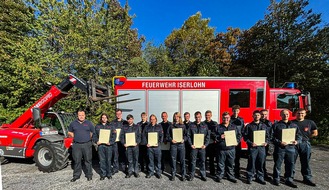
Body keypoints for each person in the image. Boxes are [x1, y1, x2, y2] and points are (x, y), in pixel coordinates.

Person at [272, 109, 301, 188]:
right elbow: (272, 137)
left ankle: (289, 180)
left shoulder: (294, 125)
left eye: (287, 114)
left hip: (291, 148)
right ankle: (276, 179)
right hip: (280, 148)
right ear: (280, 115)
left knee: (290, 164)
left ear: (289, 115)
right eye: (284, 114)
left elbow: (299, 136)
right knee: (278, 164)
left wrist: (297, 141)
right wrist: (279, 142)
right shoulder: (276, 125)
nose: (285, 116)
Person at [292, 108, 318, 186]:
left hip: (305, 144)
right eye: (298, 113)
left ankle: (307, 178)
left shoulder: (310, 122)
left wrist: (306, 138)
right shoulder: (291, 122)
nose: (300, 115)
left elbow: (315, 133)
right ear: (295, 114)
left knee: (305, 162)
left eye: (302, 113)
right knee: (291, 162)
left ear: (305, 114)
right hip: (294, 144)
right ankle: (289, 177)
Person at [243, 110, 269, 185]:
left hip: (261, 147)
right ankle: (250, 176)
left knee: (261, 162)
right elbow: (245, 137)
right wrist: (251, 143)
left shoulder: (264, 126)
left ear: (260, 116)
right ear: (252, 116)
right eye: (255, 115)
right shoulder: (249, 126)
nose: (257, 116)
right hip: (253, 147)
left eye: (258, 115)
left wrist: (266, 142)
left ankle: (260, 177)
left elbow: (268, 136)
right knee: (251, 162)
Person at [68, 110, 95, 182]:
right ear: (77, 116)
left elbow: (93, 132)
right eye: (80, 115)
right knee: (77, 161)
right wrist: (75, 136)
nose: (81, 116)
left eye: (82, 115)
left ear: (85, 115)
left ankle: (89, 175)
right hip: (77, 145)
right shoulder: (73, 123)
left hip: (87, 144)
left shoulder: (89, 123)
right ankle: (76, 176)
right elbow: (69, 132)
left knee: (88, 160)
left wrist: (88, 138)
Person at [214, 112, 240, 183]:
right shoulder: (218, 127)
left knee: (231, 164)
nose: (226, 119)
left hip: (231, 149)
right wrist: (220, 137)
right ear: (222, 118)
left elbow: (239, 135)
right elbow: (214, 137)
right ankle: (220, 176)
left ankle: (230, 176)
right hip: (221, 149)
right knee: (220, 164)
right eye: (224, 118)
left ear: (230, 118)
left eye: (227, 118)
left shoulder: (234, 127)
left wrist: (237, 141)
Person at [187, 111, 210, 182]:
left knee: (202, 161)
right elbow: (188, 136)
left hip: (202, 147)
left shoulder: (205, 125)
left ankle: (203, 175)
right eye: (196, 117)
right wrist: (191, 144)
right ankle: (192, 175)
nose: (198, 119)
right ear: (194, 117)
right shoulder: (191, 125)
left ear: (201, 117)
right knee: (193, 161)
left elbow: (207, 137)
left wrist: (205, 145)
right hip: (194, 147)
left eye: (199, 117)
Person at [92, 113, 117, 180]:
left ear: (107, 118)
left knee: (108, 160)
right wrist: (96, 141)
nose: (104, 119)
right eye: (102, 117)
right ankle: (103, 174)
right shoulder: (97, 126)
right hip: (101, 146)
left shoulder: (111, 126)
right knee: (102, 160)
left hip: (108, 146)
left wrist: (111, 142)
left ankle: (109, 174)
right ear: (101, 118)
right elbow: (94, 136)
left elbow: (114, 136)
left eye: (105, 117)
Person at [167, 112, 187, 181]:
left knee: (182, 160)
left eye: (178, 117)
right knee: (173, 160)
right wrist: (171, 140)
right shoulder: (171, 126)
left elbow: (186, 135)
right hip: (173, 145)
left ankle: (183, 175)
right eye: (175, 116)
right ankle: (173, 174)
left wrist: (184, 139)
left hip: (181, 145)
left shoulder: (183, 126)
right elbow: (167, 135)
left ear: (180, 117)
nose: (176, 118)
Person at [143, 114, 164, 179]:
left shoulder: (159, 126)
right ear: (150, 120)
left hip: (157, 147)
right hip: (149, 147)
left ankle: (158, 173)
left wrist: (159, 143)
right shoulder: (147, 127)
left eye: (153, 119)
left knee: (158, 160)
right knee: (150, 160)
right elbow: (143, 136)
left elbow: (161, 136)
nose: (152, 120)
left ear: (156, 119)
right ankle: (151, 172)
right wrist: (146, 143)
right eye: (151, 119)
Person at [231, 105, 245, 179]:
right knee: (230, 158)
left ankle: (237, 172)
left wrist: (238, 141)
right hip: (230, 142)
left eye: (237, 110)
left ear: (239, 111)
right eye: (234, 110)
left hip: (238, 142)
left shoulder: (241, 120)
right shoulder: (229, 119)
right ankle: (230, 172)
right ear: (232, 111)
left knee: (237, 158)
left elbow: (242, 131)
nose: (235, 112)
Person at [111, 109, 126, 174]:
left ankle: (124, 168)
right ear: (115, 114)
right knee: (115, 155)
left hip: (122, 142)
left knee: (123, 155)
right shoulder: (112, 122)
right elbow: (111, 131)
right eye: (117, 114)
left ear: (121, 114)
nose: (118, 115)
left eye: (119, 114)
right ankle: (115, 168)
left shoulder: (125, 122)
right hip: (115, 142)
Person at [260, 109, 273, 180]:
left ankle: (264, 174)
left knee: (263, 159)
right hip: (257, 144)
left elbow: (271, 134)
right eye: (262, 114)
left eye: (265, 114)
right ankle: (257, 173)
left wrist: (267, 142)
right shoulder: (257, 122)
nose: (264, 116)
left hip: (265, 144)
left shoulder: (269, 123)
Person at [204, 110, 218, 176]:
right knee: (204, 159)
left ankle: (212, 172)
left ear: (211, 116)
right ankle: (204, 172)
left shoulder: (215, 123)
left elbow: (217, 133)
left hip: (212, 143)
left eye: (209, 115)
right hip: (204, 144)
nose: (207, 117)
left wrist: (216, 138)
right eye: (206, 115)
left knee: (212, 159)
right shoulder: (202, 124)